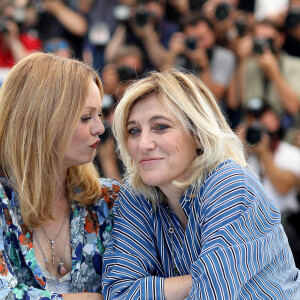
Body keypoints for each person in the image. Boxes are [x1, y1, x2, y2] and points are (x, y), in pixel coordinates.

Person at [102, 68, 300, 299]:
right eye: (134, 131)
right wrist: (201, 277)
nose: (143, 143)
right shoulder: (136, 197)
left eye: (161, 127)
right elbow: (119, 293)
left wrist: (157, 287)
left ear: (198, 134)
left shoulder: (230, 183)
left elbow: (210, 294)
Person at [0, 52, 121, 299]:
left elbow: (136, 286)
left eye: (99, 114)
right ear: (41, 120)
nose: (100, 128)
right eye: (86, 117)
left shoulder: (108, 199)